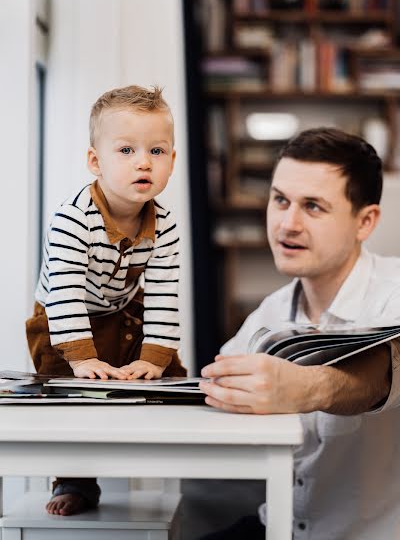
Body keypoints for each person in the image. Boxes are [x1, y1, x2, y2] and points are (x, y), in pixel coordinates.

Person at [199, 127, 400, 540]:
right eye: (280, 200)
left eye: (313, 206)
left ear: (365, 221)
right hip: (277, 527)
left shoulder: (394, 291)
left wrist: (309, 387)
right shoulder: (268, 314)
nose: (287, 224)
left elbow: (389, 371)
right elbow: (210, 395)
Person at [26, 84, 185, 516]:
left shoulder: (164, 223)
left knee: (164, 376)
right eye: (127, 150)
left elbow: (165, 292)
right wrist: (80, 358)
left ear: (172, 160)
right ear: (96, 161)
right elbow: (64, 293)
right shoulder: (73, 219)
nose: (143, 162)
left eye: (157, 151)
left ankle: (179, 448)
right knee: (72, 395)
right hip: (63, 315)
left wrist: (155, 357)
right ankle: (76, 482)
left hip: (122, 308)